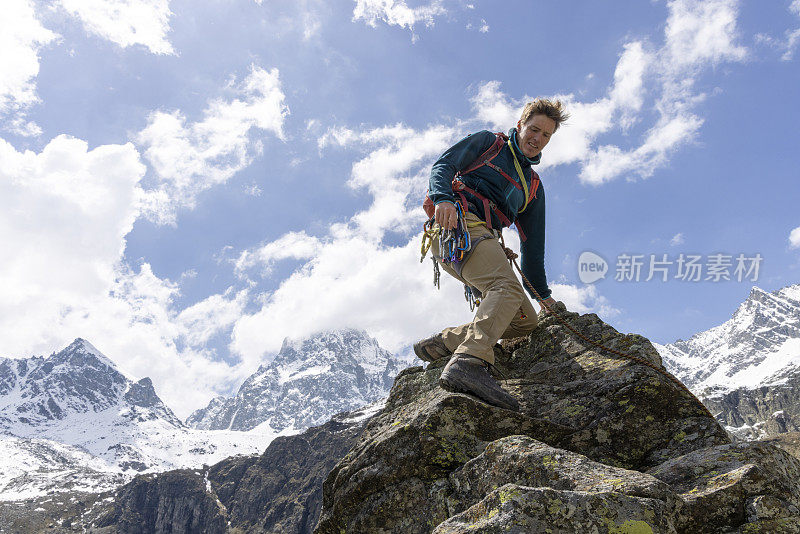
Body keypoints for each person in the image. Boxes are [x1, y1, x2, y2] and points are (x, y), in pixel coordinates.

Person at [414, 98, 568, 411]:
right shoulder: (489, 144)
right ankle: (469, 362)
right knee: (506, 288)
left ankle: (447, 341)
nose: (537, 138)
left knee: (524, 321)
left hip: (481, 241)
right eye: (534, 129)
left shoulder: (533, 188)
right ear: (520, 125)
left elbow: (532, 248)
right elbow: (444, 165)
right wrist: (443, 198)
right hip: (456, 227)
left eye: (546, 135)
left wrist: (543, 297)